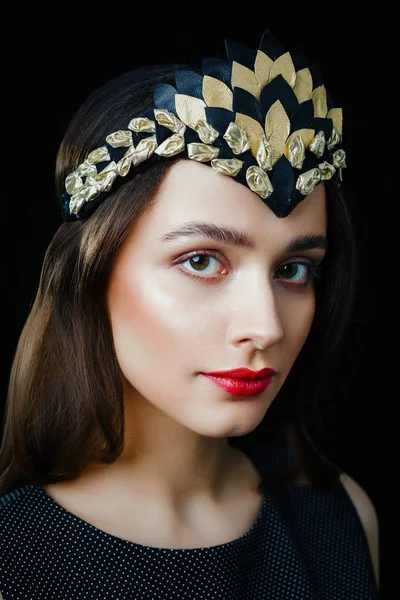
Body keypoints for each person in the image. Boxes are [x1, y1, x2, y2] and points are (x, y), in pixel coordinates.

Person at [0, 26, 379, 599]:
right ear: (90, 274)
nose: (266, 327)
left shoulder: (341, 518)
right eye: (202, 261)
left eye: (294, 270)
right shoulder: (16, 560)